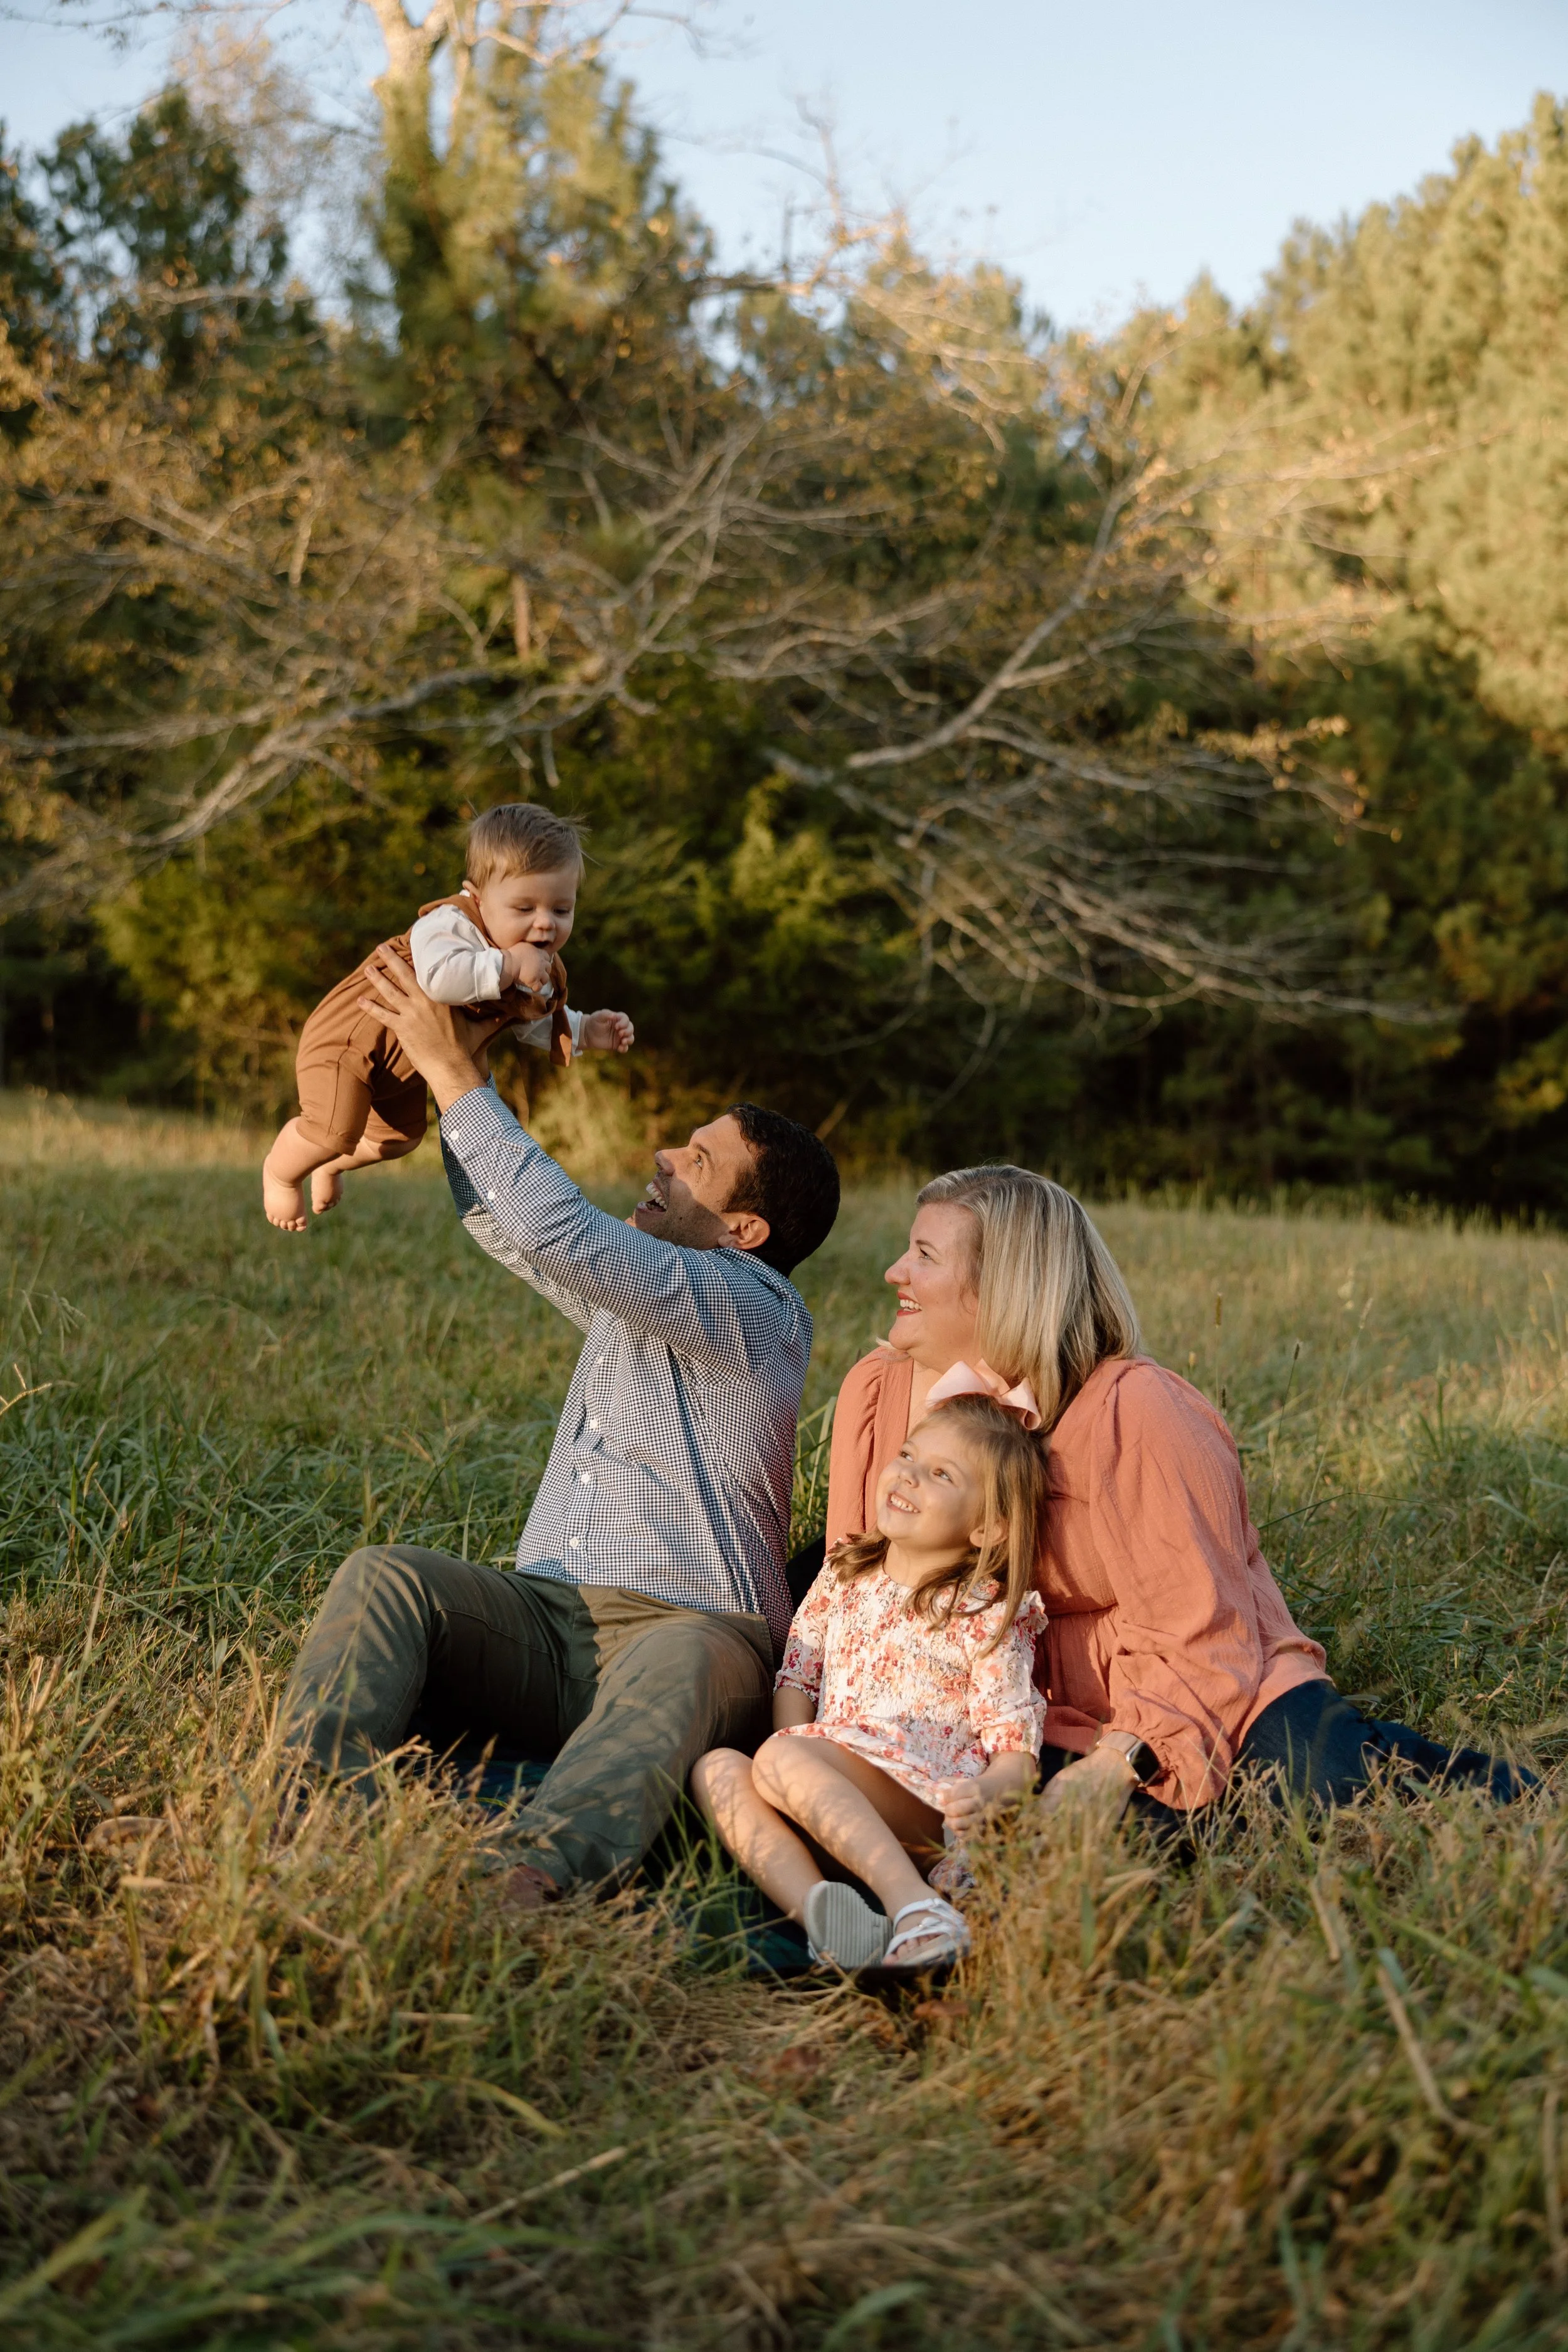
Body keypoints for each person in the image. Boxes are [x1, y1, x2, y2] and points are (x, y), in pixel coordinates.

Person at [277, 947, 841, 1902]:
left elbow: (560, 1230)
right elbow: (511, 1225)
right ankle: (307, 1812)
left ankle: (529, 1875)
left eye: (698, 1160)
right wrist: (462, 1067)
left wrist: (459, 1080)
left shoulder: (756, 1311)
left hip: (699, 1629)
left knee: (684, 1654)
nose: (665, 1156)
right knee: (388, 1576)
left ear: (743, 1231)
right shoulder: (645, 1297)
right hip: (550, 1621)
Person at [819, 1164, 1534, 1828]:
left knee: (1326, 1786)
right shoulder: (879, 1393)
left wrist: (1120, 1758)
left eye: (924, 1255)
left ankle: (1525, 1802)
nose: (894, 1271)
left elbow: (1199, 1630)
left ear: (1007, 1285)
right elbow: (853, 1596)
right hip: (1012, 1716)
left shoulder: (1140, 1411)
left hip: (1210, 1692)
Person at [694, 1389, 1051, 1973]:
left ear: (988, 1527)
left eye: (939, 1474)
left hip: (921, 1808)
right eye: (908, 1456)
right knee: (717, 1769)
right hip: (829, 1796)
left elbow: (1015, 1748)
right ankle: (830, 1922)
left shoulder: (983, 1613)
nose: (907, 1476)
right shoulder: (844, 1571)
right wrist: (792, 1764)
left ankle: (917, 1908)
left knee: (783, 1760)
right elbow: (798, 1676)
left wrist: (985, 1796)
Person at [262, 802, 635, 1232]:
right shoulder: (451, 924)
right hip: (353, 1035)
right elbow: (440, 980)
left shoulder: (528, 962)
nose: (545, 924)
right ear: (476, 896)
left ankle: (329, 1164)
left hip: (403, 1065)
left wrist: (585, 1028)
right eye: (524, 908)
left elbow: (528, 1018)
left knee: (398, 1138)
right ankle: (280, 1172)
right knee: (332, 1130)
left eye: (561, 910)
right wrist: (510, 966)